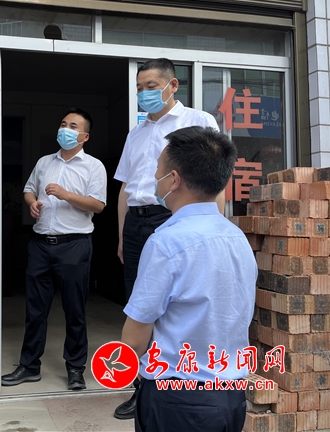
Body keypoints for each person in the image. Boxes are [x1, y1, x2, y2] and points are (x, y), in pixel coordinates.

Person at [121, 126, 256, 432]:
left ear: (174, 179)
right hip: (231, 396)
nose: (155, 177)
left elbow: (136, 335)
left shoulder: (166, 242)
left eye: (158, 170)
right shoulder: (237, 238)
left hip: (177, 399)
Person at [113, 57, 221, 419]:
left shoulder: (198, 121)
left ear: (173, 85)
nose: (144, 93)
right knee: (139, 304)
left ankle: (174, 380)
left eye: (151, 86)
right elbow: (126, 188)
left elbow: (216, 181)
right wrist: (122, 235)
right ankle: (141, 386)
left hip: (175, 217)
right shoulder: (137, 132)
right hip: (137, 223)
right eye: (139, 88)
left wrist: (214, 228)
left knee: (175, 305)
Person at [1, 108, 107, 391]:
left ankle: (75, 369)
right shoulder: (44, 162)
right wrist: (32, 202)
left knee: (75, 311)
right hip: (40, 244)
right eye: (63, 124)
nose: (65, 129)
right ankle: (29, 365)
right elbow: (28, 189)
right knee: (35, 310)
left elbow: (98, 205)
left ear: (84, 136)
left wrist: (65, 194)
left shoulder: (94, 166)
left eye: (73, 126)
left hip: (74, 245)